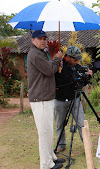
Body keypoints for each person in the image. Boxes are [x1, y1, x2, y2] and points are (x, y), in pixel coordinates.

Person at [27, 30, 65, 169]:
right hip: (40, 98)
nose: (43, 41)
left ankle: (51, 157)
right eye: (39, 38)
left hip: (46, 97)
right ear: (33, 40)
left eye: (44, 38)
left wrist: (55, 59)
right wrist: (57, 58)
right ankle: (46, 164)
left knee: (49, 130)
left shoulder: (40, 53)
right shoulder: (35, 54)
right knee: (44, 132)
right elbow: (49, 70)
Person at [54, 46, 93, 153]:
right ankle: (61, 145)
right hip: (60, 99)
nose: (77, 62)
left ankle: (87, 145)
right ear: (67, 57)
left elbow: (80, 83)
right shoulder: (58, 66)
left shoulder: (77, 66)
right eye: (75, 59)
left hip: (74, 98)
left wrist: (87, 77)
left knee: (81, 122)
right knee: (59, 124)